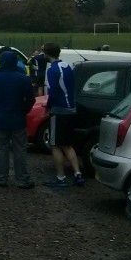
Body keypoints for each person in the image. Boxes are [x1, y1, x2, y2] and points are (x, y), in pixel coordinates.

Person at [0, 50, 36, 189]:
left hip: (1, 118)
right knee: (20, 149)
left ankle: (1, 178)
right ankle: (23, 179)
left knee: (2, 149)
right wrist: (24, 110)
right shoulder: (24, 79)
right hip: (18, 118)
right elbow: (31, 99)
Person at [43, 42, 84, 187]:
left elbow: (53, 92)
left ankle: (61, 177)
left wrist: (47, 107)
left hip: (59, 109)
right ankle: (77, 173)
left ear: (47, 54)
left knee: (55, 144)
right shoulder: (67, 66)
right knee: (67, 143)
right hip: (71, 107)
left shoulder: (52, 70)